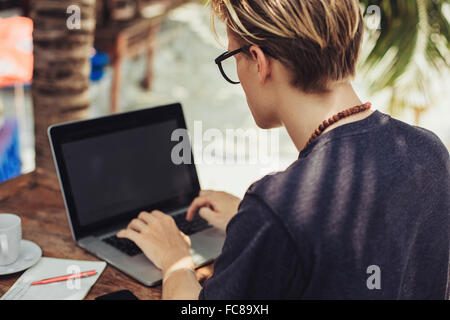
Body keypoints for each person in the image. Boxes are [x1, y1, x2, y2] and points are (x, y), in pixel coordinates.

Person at [117, 0, 450, 299]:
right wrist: (255, 227)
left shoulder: (277, 206)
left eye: (232, 57)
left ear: (260, 62)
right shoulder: (429, 152)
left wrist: (175, 260)